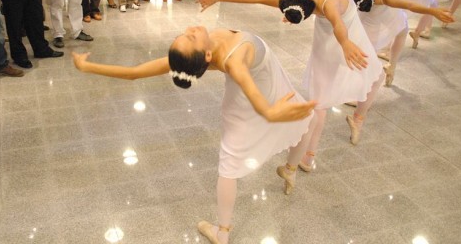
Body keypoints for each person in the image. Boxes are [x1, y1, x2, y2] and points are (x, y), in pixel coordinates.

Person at [72, 27, 315, 244]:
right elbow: (264, 109)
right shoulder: (234, 61)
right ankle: (224, 231)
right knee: (289, 124)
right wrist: (273, 113)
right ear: (207, 56)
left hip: (264, 80)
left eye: (184, 35)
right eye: (190, 37)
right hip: (255, 92)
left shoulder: (195, 56)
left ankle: (287, 173)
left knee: (303, 117)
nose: (191, 29)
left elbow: (134, 72)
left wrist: (86, 65)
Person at [198, 0, 384, 169]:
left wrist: (344, 42)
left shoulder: (326, 3)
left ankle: (309, 156)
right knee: (371, 76)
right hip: (341, 43)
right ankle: (352, 123)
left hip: (342, 44)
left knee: (323, 101)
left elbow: (338, 25)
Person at [337, 0, 455, 86]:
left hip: (371, 18)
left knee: (367, 49)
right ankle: (391, 66)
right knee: (399, 32)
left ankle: (385, 68)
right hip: (385, 17)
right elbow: (409, 4)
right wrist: (433, 11)